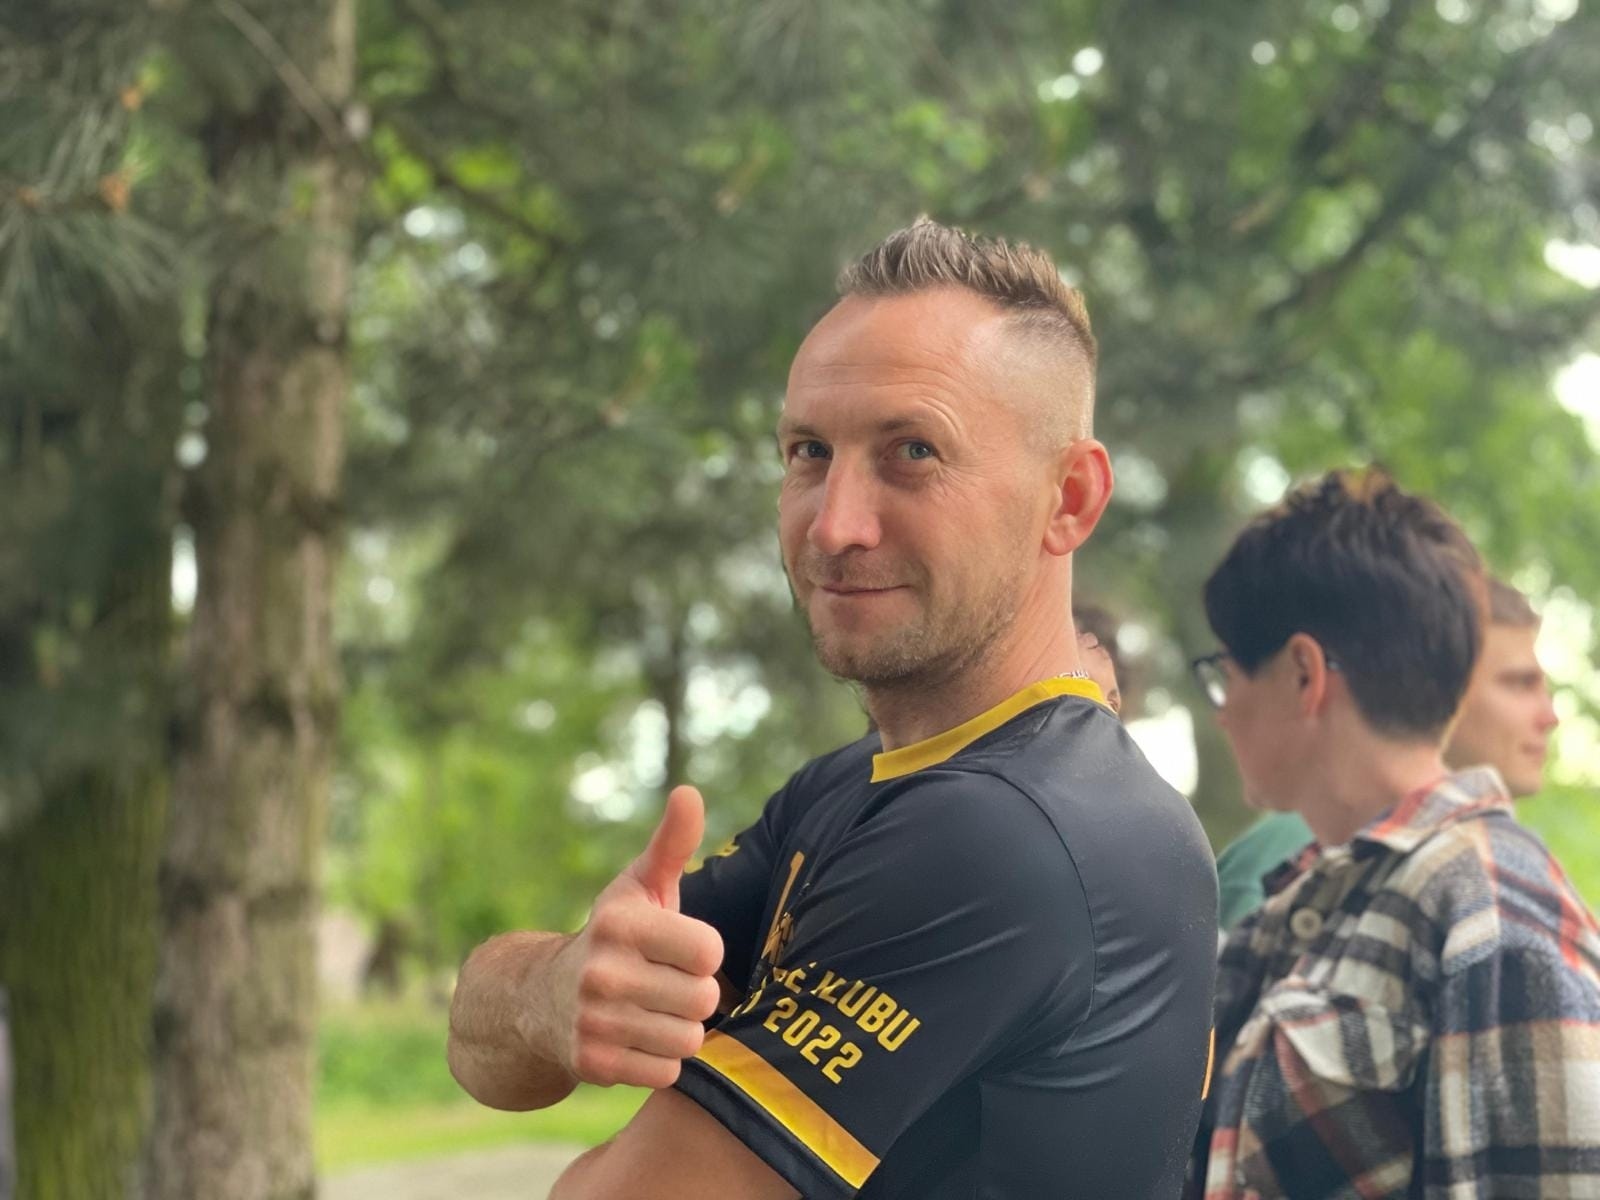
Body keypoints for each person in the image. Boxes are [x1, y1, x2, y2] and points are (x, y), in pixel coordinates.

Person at [447, 220, 1219, 1199]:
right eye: (808, 451)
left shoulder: (1005, 831)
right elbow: (480, 1046)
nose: (835, 524)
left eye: (913, 451)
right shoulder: (857, 787)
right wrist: (553, 992)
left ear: (1068, 498)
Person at [1187, 468, 1600, 1199]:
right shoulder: (1299, 902)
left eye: (1229, 673)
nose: (1222, 712)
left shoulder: (1494, 913)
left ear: (1303, 674)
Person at [1212, 576, 1562, 929]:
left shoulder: (1492, 860)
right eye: (1519, 683)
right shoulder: (1302, 845)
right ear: (1441, 685)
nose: (1550, 717)